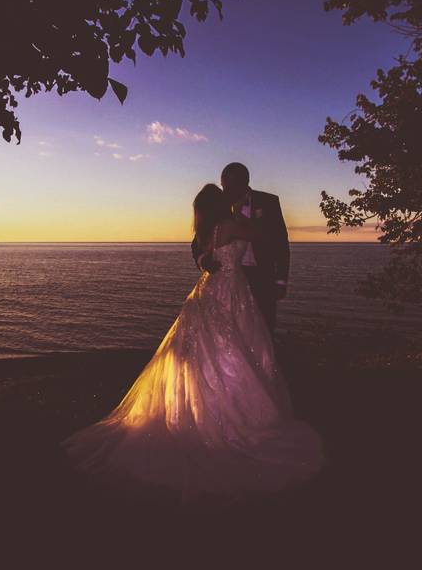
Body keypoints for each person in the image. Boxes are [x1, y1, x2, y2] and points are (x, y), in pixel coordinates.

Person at [60, 183, 326, 504]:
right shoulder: (229, 225)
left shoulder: (205, 230)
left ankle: (203, 407)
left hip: (209, 291)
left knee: (206, 352)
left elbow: (203, 253)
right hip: (230, 292)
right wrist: (241, 214)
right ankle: (234, 415)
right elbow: (262, 236)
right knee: (232, 350)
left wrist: (205, 258)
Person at [192, 162, 290, 332]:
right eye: (223, 186)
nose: (225, 191)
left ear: (244, 183)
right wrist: (203, 259)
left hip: (262, 277)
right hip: (227, 281)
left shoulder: (269, 202)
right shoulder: (220, 206)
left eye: (229, 186)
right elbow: (197, 242)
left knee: (263, 330)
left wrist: (281, 280)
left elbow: (280, 242)